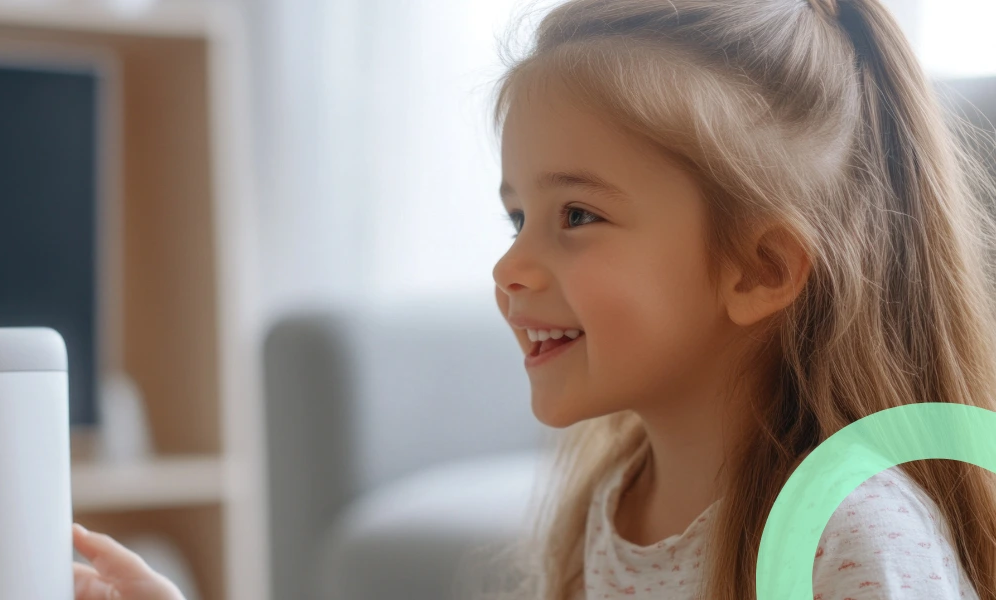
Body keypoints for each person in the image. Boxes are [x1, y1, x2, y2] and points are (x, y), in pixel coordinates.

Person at [75, 0, 996, 598]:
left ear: (758, 270)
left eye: (578, 214)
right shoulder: (616, 502)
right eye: (517, 215)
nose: (509, 267)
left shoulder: (854, 536)